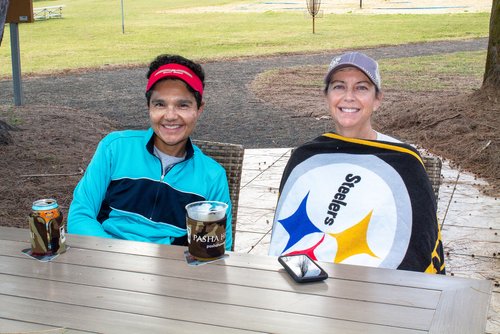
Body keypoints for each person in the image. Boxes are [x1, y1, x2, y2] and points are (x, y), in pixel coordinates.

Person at [269, 51, 445, 274]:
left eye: (361, 87)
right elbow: (286, 240)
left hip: (379, 291)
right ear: (327, 97)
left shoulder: (404, 163)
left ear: (377, 99)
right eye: (339, 86)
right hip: (310, 286)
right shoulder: (304, 159)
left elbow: (418, 246)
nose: (349, 96)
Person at [68, 54, 232, 250]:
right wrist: (116, 258)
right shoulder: (115, 148)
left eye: (183, 105)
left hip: (170, 271)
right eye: (160, 104)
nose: (170, 116)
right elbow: (80, 216)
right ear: (148, 107)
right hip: (105, 258)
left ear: (199, 109)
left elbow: (216, 248)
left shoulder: (212, 176)